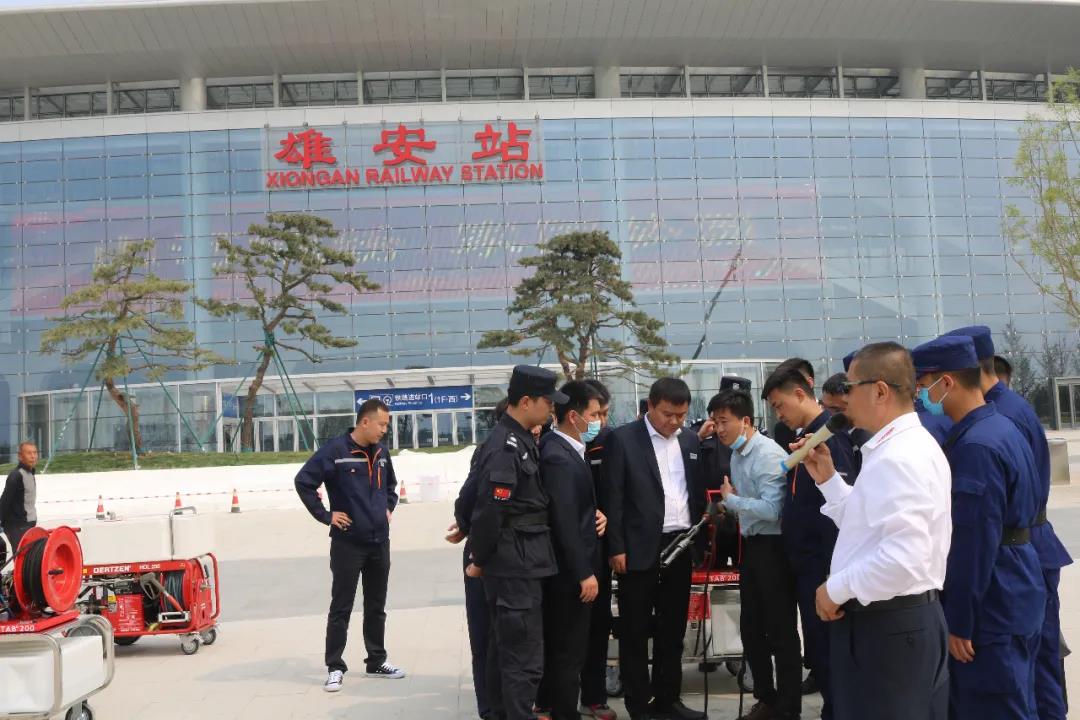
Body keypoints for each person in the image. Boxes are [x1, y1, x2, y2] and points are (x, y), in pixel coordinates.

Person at [795, 341, 952, 720]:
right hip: (893, 625)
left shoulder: (900, 456)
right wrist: (829, 480)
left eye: (850, 388)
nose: (844, 397)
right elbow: (867, 525)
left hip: (889, 628)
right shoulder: (893, 448)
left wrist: (835, 589)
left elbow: (903, 558)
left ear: (880, 391)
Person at [912, 335, 1045, 720]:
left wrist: (960, 621)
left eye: (923, 386)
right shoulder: (999, 426)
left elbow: (975, 543)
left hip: (993, 601)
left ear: (947, 382)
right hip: (1017, 585)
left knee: (994, 706)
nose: (921, 396)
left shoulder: (976, 447)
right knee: (1018, 701)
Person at [946, 326, 1072, 720]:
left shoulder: (996, 422)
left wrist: (961, 616)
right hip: (1022, 554)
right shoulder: (1002, 414)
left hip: (1013, 556)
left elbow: (980, 532)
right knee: (1029, 676)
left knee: (1025, 678)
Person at [762, 366, 861, 720]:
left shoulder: (830, 437)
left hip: (824, 566)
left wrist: (834, 574)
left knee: (830, 655)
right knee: (819, 653)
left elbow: (842, 511)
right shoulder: (806, 437)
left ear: (800, 394)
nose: (778, 414)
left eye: (780, 404)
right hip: (805, 564)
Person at [605, 377, 706, 720]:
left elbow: (694, 490)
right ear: (650, 406)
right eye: (667, 414)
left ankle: (668, 699)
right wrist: (616, 546)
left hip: (680, 545)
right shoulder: (623, 439)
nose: (674, 421)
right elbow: (613, 496)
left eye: (681, 415)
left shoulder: (690, 440)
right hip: (638, 548)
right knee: (635, 632)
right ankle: (639, 705)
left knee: (672, 629)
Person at [468, 365, 564, 720]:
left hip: (522, 561)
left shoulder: (518, 439)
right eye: (547, 403)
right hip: (514, 565)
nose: (551, 409)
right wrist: (480, 558)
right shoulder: (506, 447)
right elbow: (490, 511)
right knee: (522, 660)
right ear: (526, 402)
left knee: (506, 652)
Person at [294, 398, 405, 692]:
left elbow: (391, 486)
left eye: (387, 425)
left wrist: (388, 507)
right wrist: (326, 515)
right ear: (365, 422)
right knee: (341, 607)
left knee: (376, 605)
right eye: (382, 424)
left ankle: (376, 660)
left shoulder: (382, 452)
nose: (385, 430)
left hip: (379, 542)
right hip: (348, 545)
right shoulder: (336, 452)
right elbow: (304, 481)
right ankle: (335, 666)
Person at [712, 389, 801, 720]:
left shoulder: (766, 454)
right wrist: (730, 507)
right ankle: (767, 697)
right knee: (751, 628)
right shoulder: (737, 454)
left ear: (745, 421)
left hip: (773, 548)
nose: (719, 429)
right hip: (752, 546)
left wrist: (732, 501)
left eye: (725, 421)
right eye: (715, 422)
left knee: (780, 630)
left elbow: (773, 509)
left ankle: (788, 708)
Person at [536, 381, 607, 720]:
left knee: (569, 647)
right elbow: (564, 521)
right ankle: (564, 712)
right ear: (574, 417)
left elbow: (575, 509)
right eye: (594, 415)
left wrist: (595, 513)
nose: (599, 422)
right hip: (569, 574)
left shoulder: (570, 450)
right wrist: (584, 572)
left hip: (574, 567)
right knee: (568, 650)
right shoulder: (558, 456)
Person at [446, 396, 510, 720]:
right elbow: (468, 498)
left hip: (509, 554)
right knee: (485, 633)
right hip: (483, 553)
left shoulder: (532, 448)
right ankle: (489, 706)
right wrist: (466, 524)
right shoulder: (491, 451)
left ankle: (499, 702)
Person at [579, 378, 618, 720]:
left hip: (600, 552)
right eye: (595, 414)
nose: (601, 422)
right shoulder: (554, 446)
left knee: (597, 626)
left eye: (605, 414)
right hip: (565, 555)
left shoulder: (610, 444)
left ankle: (594, 696)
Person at [1, 441, 39, 559]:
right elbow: (5, 501)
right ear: (20, 456)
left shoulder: (30, 474)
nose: (33, 456)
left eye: (35, 452)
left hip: (28, 525)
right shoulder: (16, 475)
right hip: (17, 526)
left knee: (30, 561)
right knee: (22, 561)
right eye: (29, 453)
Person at [769, 358, 815, 451]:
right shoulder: (781, 429)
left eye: (780, 406)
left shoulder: (832, 427)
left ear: (808, 383)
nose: (779, 415)